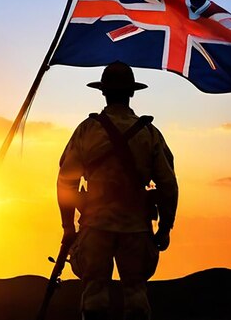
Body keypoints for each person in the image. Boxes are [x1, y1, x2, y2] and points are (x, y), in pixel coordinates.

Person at [57, 61, 179, 320]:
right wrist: (165, 227)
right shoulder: (149, 133)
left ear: (103, 92)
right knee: (136, 294)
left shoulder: (87, 130)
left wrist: (68, 227)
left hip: (95, 224)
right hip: (136, 226)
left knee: (94, 295)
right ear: (131, 93)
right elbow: (168, 185)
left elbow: (65, 181)